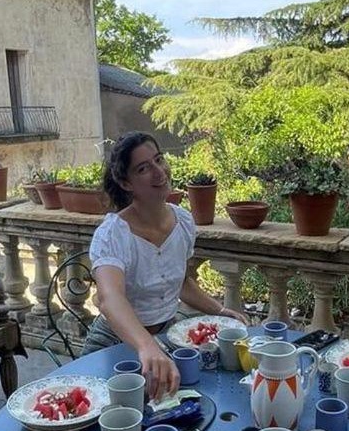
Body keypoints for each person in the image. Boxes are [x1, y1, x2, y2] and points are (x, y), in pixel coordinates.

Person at [84, 132, 248, 399]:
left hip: (168, 337)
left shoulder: (183, 221)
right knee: (113, 415)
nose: (159, 172)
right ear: (126, 183)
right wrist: (146, 346)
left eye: (158, 160)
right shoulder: (113, 234)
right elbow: (110, 298)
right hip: (115, 343)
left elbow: (180, 282)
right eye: (143, 168)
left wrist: (218, 310)